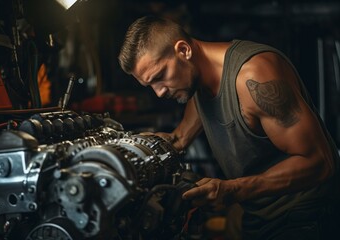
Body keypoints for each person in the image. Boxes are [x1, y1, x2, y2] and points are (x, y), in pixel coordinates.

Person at [118, 15, 340, 239]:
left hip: (307, 216)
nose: (159, 92)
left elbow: (320, 162)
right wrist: (130, 149)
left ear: (183, 50)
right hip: (258, 215)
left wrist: (233, 189)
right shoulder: (198, 85)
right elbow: (178, 140)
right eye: (150, 85)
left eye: (160, 76)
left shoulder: (253, 78)